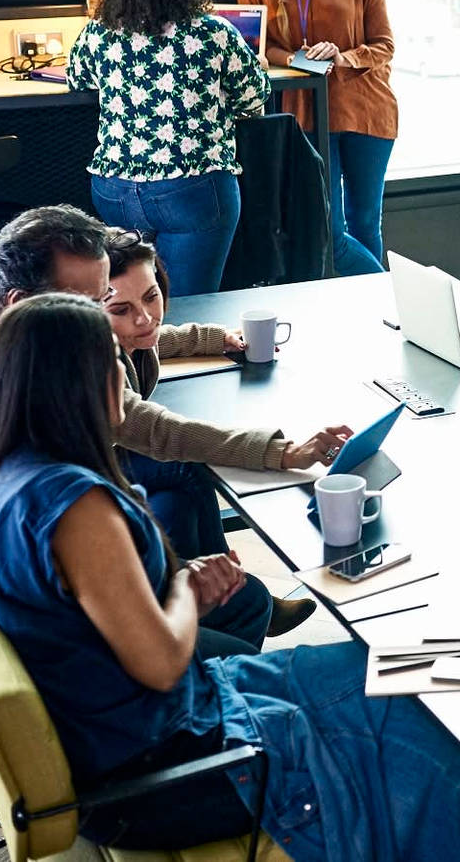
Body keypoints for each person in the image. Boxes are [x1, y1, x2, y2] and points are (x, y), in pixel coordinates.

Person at [0, 294, 460, 860]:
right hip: (170, 768)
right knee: (420, 717)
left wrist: (177, 586)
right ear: (71, 382)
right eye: (110, 357)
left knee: (402, 667)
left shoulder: (3, 479)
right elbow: (159, 664)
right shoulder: (78, 509)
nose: (122, 371)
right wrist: (183, 590)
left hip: (149, 731)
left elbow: (92, 616)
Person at [0, 205, 350, 695]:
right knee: (277, 671)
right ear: (21, 302)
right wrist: (148, 587)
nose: (114, 339)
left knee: (236, 592)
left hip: (44, 559)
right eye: (94, 308)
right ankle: (200, 708)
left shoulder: (19, 323)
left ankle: (207, 691)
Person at [104, 231, 315, 636]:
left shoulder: (128, 332)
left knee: (178, 502)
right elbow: (160, 431)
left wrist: (215, 338)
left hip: (118, 453)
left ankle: (222, 598)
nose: (145, 317)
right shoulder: (92, 353)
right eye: (122, 308)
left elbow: (154, 338)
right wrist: (280, 452)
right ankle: (233, 587)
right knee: (186, 465)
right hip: (98, 464)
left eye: (152, 296)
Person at [68, 0, 273, 296]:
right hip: (192, 188)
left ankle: (138, 359)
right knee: (190, 307)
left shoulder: (98, 33)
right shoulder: (213, 33)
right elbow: (255, 97)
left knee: (131, 306)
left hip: (114, 190)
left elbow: (78, 77)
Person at [236, 0, 400, 276]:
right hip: (306, 110)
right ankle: (391, 297)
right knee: (330, 229)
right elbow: (255, 46)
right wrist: (294, 58)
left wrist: (342, 57)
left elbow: (385, 45)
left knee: (366, 222)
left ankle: (377, 317)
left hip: (366, 110)